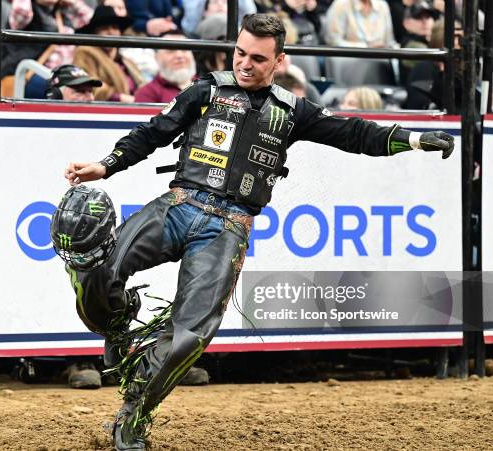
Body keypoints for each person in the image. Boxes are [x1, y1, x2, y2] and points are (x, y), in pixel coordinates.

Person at [59, 13, 453, 450]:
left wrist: (413, 139)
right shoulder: (206, 88)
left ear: (279, 61)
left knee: (191, 336)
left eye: (258, 58)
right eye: (241, 53)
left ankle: (134, 413)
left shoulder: (293, 110)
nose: (246, 64)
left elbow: (353, 133)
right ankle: (117, 328)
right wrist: (106, 165)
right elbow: (154, 131)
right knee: (99, 268)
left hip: (228, 228)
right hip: (177, 205)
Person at [73, 6, 145, 102]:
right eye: (104, 28)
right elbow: (88, 85)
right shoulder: (84, 53)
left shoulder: (126, 61)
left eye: (115, 28)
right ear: (95, 33)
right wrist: (121, 98)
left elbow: (143, 86)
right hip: (105, 111)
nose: (111, 32)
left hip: (135, 109)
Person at [134, 31, 196, 103]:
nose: (180, 55)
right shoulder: (147, 93)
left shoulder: (208, 86)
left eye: (184, 50)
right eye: (171, 50)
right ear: (156, 57)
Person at [325, 0, 396, 48]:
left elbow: (389, 41)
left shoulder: (382, 5)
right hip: (351, 60)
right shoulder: (341, 4)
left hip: (381, 61)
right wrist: (366, 47)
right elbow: (333, 41)